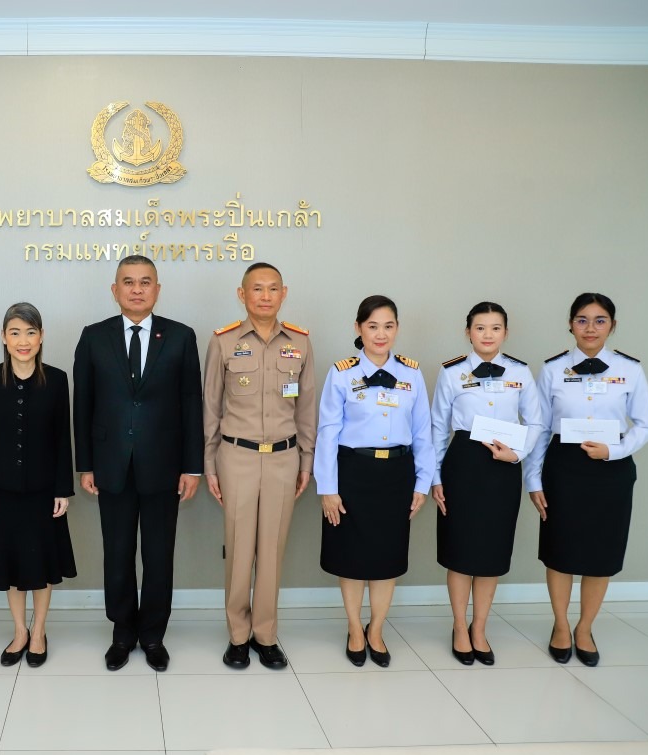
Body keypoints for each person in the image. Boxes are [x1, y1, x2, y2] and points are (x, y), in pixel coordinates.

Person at [73, 255, 203, 672]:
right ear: (115, 290)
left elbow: (191, 404)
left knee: (159, 555)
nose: (137, 289)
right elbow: (83, 405)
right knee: (117, 553)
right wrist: (85, 464)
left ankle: (153, 635)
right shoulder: (94, 337)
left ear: (157, 290)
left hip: (164, 466)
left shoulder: (181, 337)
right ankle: (122, 632)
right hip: (111, 465)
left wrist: (192, 466)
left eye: (145, 282)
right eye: (128, 282)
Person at [525, 292, 648, 667]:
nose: (590, 328)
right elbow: (539, 427)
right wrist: (533, 479)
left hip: (610, 468)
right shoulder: (553, 369)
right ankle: (561, 625)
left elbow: (647, 424)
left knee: (602, 553)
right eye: (582, 320)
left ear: (612, 326)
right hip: (563, 467)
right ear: (570, 325)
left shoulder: (630, 369)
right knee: (560, 551)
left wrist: (614, 450)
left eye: (600, 320)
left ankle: (585, 628)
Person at [203, 263, 317, 670]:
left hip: (284, 459)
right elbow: (210, 407)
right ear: (242, 294)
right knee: (239, 550)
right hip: (237, 457)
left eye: (272, 289)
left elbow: (306, 408)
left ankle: (265, 635)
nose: (265, 296)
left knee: (272, 550)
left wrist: (306, 460)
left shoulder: (300, 343)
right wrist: (209, 464)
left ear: (284, 294)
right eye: (257, 289)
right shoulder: (223, 341)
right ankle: (238, 635)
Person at [315, 295, 435, 668]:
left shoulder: (412, 374)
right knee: (351, 558)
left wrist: (422, 483)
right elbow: (327, 432)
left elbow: (424, 432)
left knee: (387, 558)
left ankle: (377, 629)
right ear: (358, 328)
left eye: (388, 326)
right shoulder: (342, 373)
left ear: (397, 329)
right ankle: (355, 629)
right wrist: (328, 488)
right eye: (372, 326)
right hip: (352, 473)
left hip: (396, 475)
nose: (380, 334)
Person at [431, 302, 544, 666]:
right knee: (460, 550)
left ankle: (480, 628)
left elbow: (537, 422)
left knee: (491, 552)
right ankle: (459, 627)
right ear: (468, 332)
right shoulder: (451, 372)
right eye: (480, 328)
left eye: (495, 328)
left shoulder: (521, 372)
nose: (488, 334)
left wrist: (517, 454)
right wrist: (435, 477)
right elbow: (438, 427)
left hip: (504, 466)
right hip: (463, 464)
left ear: (505, 333)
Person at [0, 302, 76, 668]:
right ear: (3, 337)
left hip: (43, 491)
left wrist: (63, 489)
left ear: (41, 336)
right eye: (15, 332)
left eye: (30, 332)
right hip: (1, 490)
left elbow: (63, 438)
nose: (23, 340)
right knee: (12, 567)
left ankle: (39, 630)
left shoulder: (57, 379)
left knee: (41, 565)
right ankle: (19, 631)